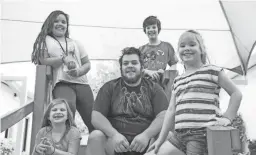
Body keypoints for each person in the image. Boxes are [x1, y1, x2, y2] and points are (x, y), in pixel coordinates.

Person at [145, 30, 243, 155]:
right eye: (182, 45)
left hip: (200, 135)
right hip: (179, 136)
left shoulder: (212, 71)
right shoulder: (178, 80)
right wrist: (161, 139)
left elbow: (236, 94)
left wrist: (228, 118)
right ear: (178, 52)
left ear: (201, 49)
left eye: (192, 44)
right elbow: (171, 111)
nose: (186, 48)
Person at [85, 47, 169, 155]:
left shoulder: (154, 88)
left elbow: (164, 115)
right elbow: (96, 116)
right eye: (125, 63)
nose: (129, 66)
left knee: (168, 136)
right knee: (95, 136)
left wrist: (146, 135)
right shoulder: (109, 87)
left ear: (142, 67)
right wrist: (114, 135)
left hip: (146, 145)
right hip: (115, 144)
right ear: (121, 68)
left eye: (134, 63)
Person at [31, 10, 94, 132]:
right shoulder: (45, 40)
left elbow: (87, 64)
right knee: (67, 109)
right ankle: (70, 140)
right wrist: (62, 59)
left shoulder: (76, 43)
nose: (60, 24)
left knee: (93, 116)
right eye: (56, 21)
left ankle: (98, 144)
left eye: (64, 22)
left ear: (67, 26)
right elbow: (42, 60)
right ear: (50, 23)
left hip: (82, 83)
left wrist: (79, 71)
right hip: (62, 82)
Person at [139, 16, 179, 102]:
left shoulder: (167, 46)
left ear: (158, 29)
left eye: (154, 27)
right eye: (148, 28)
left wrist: (165, 73)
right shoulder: (141, 50)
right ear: (145, 30)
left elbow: (174, 65)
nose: (151, 30)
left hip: (162, 88)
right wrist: (148, 72)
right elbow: (137, 69)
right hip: (144, 88)